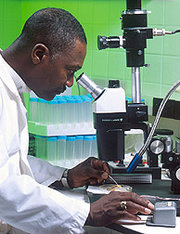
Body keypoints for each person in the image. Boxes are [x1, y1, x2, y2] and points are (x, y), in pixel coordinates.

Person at [0, 8, 154, 234]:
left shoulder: (13, 85)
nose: (70, 83)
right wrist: (88, 213)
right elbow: (3, 188)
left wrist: (67, 176)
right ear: (39, 54)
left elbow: (11, 162)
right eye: (70, 70)